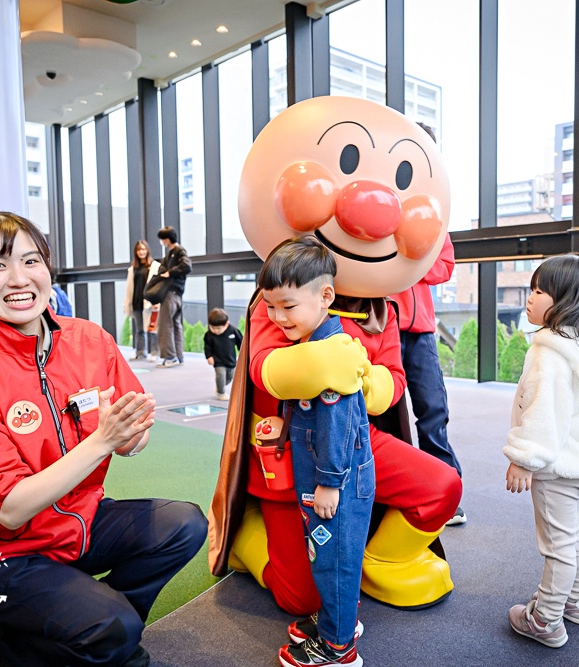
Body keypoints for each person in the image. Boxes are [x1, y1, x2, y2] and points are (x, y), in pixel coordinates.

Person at [209, 96, 463, 624]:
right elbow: (265, 373)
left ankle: (377, 561)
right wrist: (329, 363)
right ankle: (251, 537)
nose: (372, 206)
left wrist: (370, 385)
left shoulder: (380, 308)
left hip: (355, 443)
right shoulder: (273, 300)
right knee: (298, 600)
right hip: (283, 452)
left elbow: (394, 379)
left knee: (441, 486)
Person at [0, 211, 207, 666]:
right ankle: (71, 633)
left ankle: (80, 631)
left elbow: (134, 433)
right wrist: (101, 442)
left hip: (75, 523)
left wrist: (129, 437)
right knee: (115, 628)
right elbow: (8, 510)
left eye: (31, 261)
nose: (19, 278)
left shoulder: (88, 340)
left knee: (184, 525)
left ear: (47, 268)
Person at [257, 237, 373, 667]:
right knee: (330, 554)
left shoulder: (330, 355)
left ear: (326, 296)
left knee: (335, 560)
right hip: (325, 476)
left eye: (287, 306)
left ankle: (339, 648)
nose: (277, 317)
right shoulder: (311, 344)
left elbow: (338, 427)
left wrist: (329, 482)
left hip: (335, 480)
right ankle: (337, 620)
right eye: (270, 306)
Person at [503, 254, 579, 649]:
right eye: (532, 288)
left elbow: (543, 411)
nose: (530, 297)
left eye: (541, 291)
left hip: (555, 463)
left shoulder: (549, 353)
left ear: (568, 301)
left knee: (555, 544)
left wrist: (524, 458)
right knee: (572, 536)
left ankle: (546, 619)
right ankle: (578, 600)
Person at [389, 232, 466, 526]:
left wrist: (410, 260)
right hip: (383, 325)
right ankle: (399, 493)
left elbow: (444, 267)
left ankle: (448, 493)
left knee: (433, 410)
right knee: (387, 412)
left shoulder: (430, 223)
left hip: (421, 330)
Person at [154, 226, 191, 368]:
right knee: (175, 325)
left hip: (171, 294)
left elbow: (187, 266)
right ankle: (178, 356)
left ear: (167, 239)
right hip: (177, 294)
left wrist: (170, 272)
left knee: (165, 325)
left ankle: (170, 357)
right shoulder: (170, 254)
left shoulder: (179, 251)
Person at [124, 239, 161, 361]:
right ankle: (140, 352)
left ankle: (155, 352)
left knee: (152, 329)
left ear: (147, 250)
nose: (141, 252)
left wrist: (157, 300)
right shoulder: (133, 268)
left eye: (143, 249)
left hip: (150, 302)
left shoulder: (154, 266)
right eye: (139, 250)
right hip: (136, 302)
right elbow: (130, 287)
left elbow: (159, 285)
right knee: (140, 330)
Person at [203, 307, 242, 400]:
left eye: (219, 328)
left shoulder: (233, 331)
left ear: (226, 324)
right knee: (220, 375)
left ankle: (219, 385)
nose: (216, 331)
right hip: (218, 361)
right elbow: (207, 347)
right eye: (213, 328)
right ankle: (221, 392)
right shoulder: (209, 335)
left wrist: (243, 354)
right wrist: (209, 357)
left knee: (230, 377)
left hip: (231, 360)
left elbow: (241, 342)